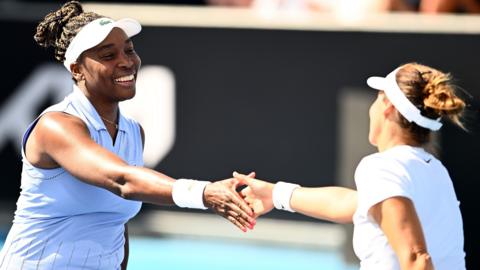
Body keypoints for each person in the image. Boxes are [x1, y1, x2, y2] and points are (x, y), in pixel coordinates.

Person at [0, 1, 256, 269]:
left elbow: (116, 228)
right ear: (77, 70)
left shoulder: (133, 132)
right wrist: (203, 192)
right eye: (108, 56)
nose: (126, 62)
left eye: (129, 50)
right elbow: (121, 180)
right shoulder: (56, 126)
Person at [234, 62, 467, 270]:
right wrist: (276, 194)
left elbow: (418, 260)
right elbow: (348, 203)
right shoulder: (435, 170)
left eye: (377, 97)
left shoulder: (383, 168)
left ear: (388, 107)